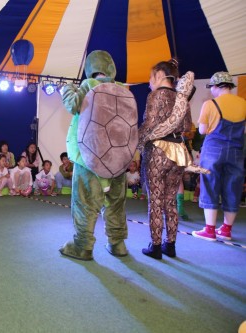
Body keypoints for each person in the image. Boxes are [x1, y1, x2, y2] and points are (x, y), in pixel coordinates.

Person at [59, 50, 135, 261]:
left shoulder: (88, 85)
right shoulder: (123, 89)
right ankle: (118, 244)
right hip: (118, 161)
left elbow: (73, 105)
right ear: (111, 68)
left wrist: (66, 88)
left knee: (85, 203)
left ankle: (82, 246)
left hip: (89, 157)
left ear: (90, 69)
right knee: (116, 205)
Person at [137, 59, 193, 259]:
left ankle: (155, 246)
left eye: (151, 77)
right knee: (170, 201)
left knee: (156, 202)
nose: (149, 82)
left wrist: (135, 142)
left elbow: (149, 124)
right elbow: (188, 127)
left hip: (159, 151)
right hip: (178, 151)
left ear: (160, 75)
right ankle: (171, 246)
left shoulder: (155, 95)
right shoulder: (181, 98)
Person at [192, 72, 246, 241]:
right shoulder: (244, 103)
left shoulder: (210, 104)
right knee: (233, 187)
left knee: (210, 185)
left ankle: (209, 230)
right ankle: (226, 230)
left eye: (212, 88)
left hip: (213, 149)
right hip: (236, 151)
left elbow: (201, 130)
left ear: (216, 86)